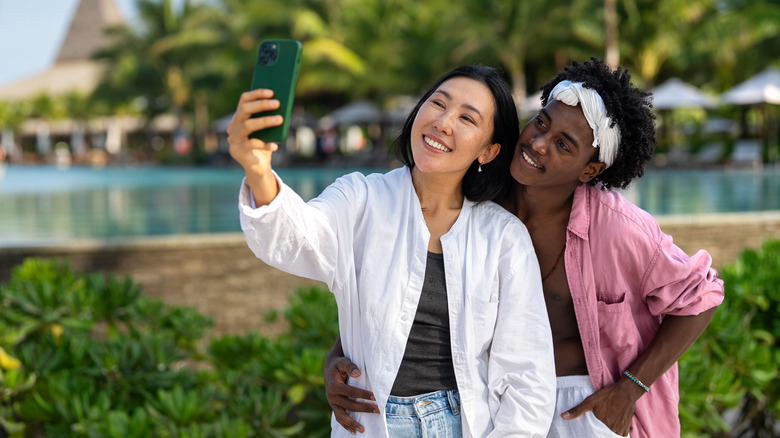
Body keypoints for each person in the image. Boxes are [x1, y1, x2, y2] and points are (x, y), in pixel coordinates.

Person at [323, 58, 724, 438]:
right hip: (498, 408)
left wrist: (630, 388)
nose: (539, 142)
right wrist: (340, 353)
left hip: (586, 407)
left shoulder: (619, 228)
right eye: (541, 123)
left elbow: (701, 298)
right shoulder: (480, 201)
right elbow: (403, 280)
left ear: (590, 169)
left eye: (564, 144)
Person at [228, 65, 556, 437]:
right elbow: (296, 236)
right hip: (371, 424)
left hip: (466, 425)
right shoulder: (360, 198)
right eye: (438, 104)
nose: (443, 122)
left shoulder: (503, 237)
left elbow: (527, 376)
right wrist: (258, 170)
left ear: (489, 151)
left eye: (467, 118)